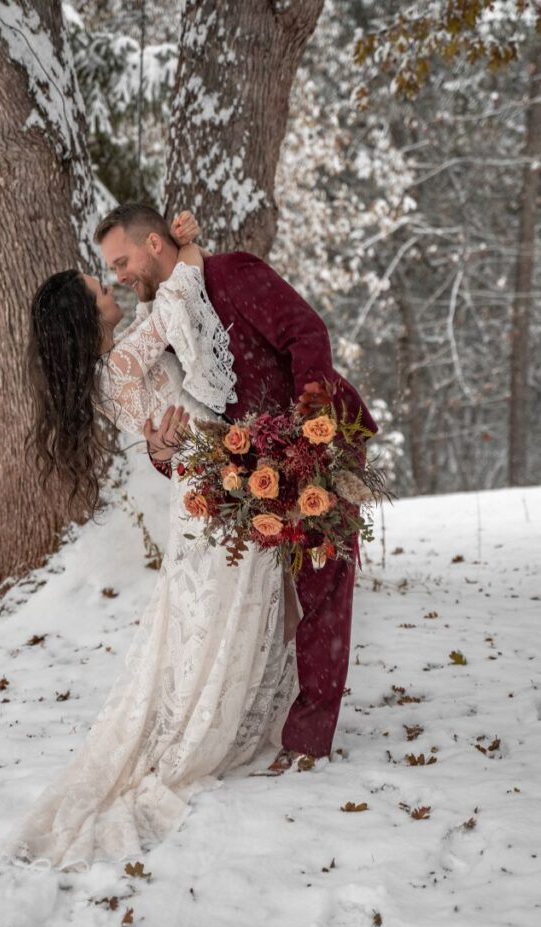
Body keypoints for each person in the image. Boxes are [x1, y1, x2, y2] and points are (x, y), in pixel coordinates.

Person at [0, 219, 298, 872]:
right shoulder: (126, 358)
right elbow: (174, 304)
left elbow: (158, 336)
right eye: (95, 287)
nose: (110, 284)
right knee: (223, 602)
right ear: (86, 315)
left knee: (211, 612)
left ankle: (229, 704)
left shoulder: (109, 367)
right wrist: (184, 249)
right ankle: (214, 723)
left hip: (202, 483)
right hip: (212, 483)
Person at [96, 203, 378, 771]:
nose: (119, 276)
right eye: (111, 269)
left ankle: (308, 737)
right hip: (254, 469)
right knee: (282, 599)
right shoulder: (171, 314)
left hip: (317, 434)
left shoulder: (233, 273)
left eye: (122, 261)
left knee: (324, 581)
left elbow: (307, 333)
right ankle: (275, 713)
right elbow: (189, 419)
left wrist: (311, 426)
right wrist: (165, 451)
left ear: (154, 244)